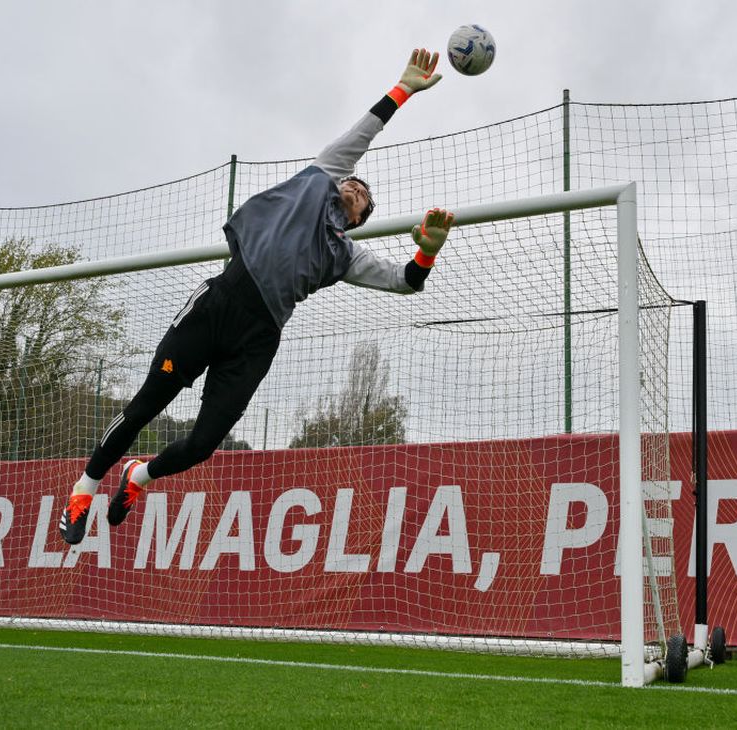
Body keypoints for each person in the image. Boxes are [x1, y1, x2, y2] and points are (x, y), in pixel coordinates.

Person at [59, 48, 456, 545]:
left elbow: (404, 281)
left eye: (364, 197)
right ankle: (84, 488)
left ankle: (140, 475)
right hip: (218, 305)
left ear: (359, 220)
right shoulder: (316, 182)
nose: (356, 188)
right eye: (352, 182)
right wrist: (403, 90)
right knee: (144, 406)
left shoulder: (345, 256)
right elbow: (362, 135)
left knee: (203, 445)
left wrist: (429, 252)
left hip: (257, 337)